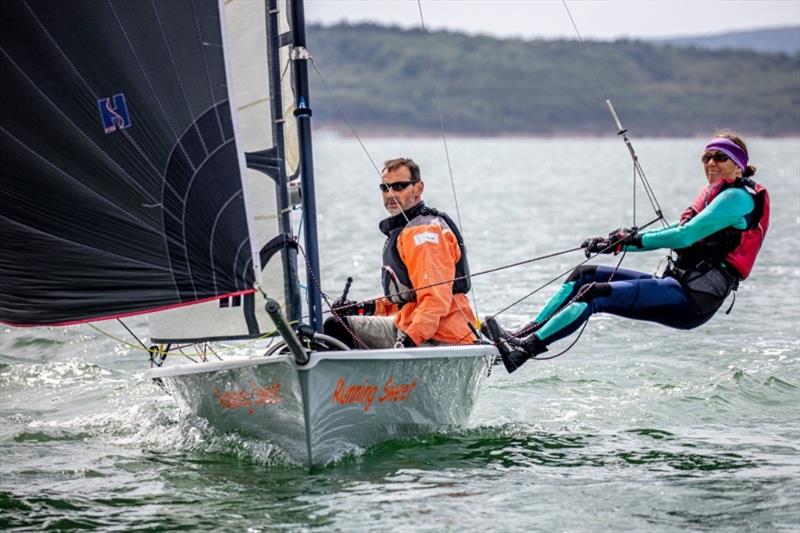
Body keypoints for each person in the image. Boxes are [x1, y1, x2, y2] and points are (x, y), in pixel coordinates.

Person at [483, 130, 770, 373]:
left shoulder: (737, 198)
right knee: (585, 275)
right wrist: (618, 240)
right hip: (675, 284)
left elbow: (684, 237)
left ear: (738, 165)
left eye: (720, 157)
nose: (711, 163)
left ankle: (522, 351)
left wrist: (629, 242)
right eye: (706, 157)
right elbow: (681, 227)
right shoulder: (719, 193)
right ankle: (520, 336)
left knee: (595, 294)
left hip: (693, 299)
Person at [324, 157, 478, 349]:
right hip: (413, 324)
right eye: (385, 188)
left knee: (335, 328)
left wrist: (411, 340)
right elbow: (409, 298)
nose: (390, 194)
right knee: (339, 324)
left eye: (399, 186)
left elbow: (436, 299)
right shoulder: (406, 230)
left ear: (419, 188)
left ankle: (344, 378)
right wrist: (365, 308)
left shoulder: (424, 234)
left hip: (441, 337)